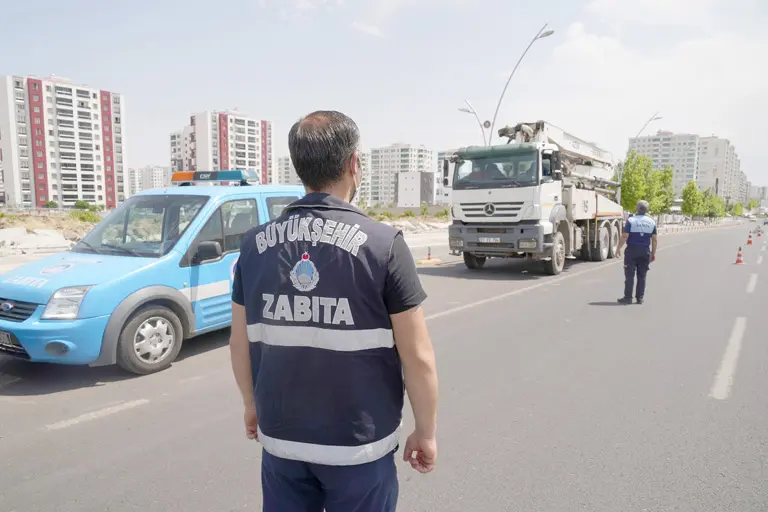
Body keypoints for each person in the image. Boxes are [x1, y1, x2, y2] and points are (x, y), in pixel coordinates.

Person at [229, 110, 439, 512]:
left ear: (299, 167)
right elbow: (419, 357)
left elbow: (240, 342)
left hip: (282, 443)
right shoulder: (383, 245)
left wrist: (250, 404)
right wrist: (425, 431)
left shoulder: (254, 246)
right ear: (352, 165)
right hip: (358, 451)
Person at [616, 200, 657, 304]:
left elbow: (625, 236)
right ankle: (640, 298)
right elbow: (654, 239)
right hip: (645, 251)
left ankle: (628, 297)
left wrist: (618, 248)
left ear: (637, 208)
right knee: (642, 275)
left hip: (632, 250)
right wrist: (653, 253)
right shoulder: (652, 222)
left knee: (629, 275)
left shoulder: (631, 220)